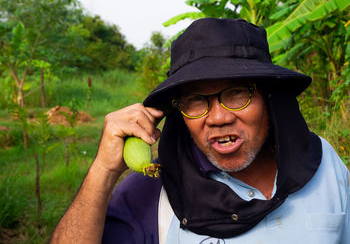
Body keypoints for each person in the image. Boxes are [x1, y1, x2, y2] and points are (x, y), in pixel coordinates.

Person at [50, 18, 349, 244]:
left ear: (269, 97)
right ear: (179, 112)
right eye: (195, 100)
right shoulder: (156, 192)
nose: (218, 118)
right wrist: (103, 168)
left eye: (235, 93)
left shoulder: (323, 164)